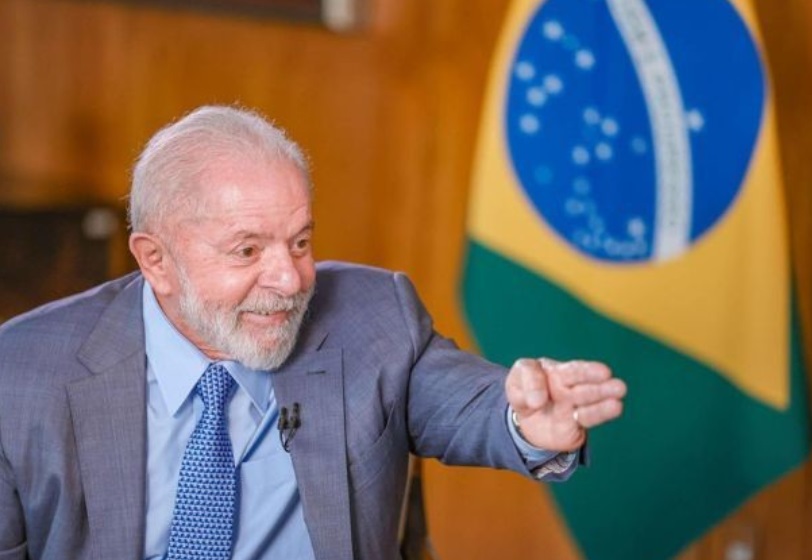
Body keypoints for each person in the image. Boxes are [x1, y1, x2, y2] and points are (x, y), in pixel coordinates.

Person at [0, 105, 626, 560]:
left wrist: (526, 423)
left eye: (300, 242)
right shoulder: (21, 376)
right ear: (155, 260)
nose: (289, 278)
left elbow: (471, 403)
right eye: (247, 251)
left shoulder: (373, 317)